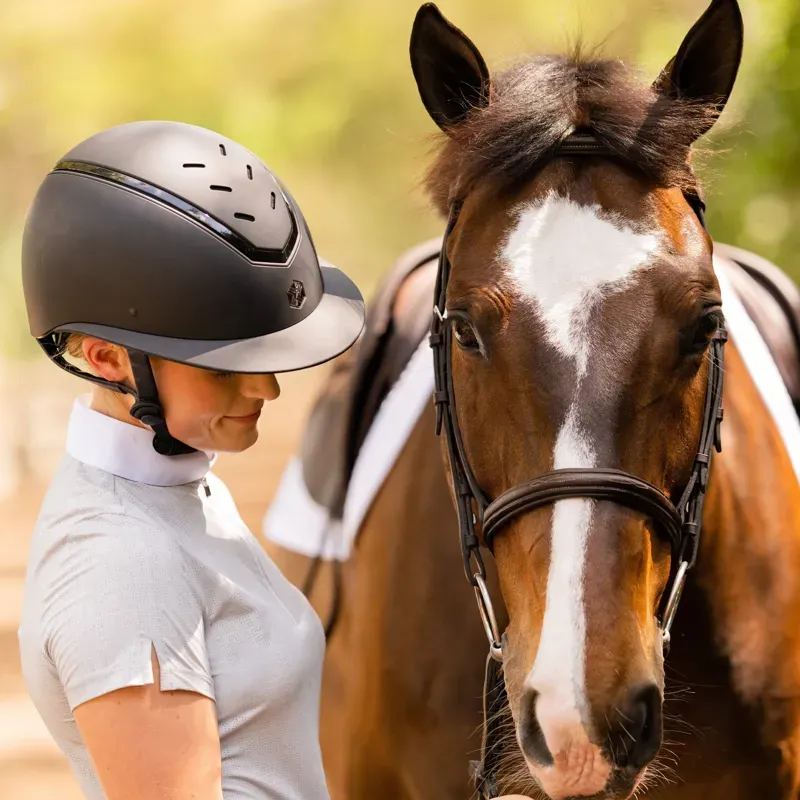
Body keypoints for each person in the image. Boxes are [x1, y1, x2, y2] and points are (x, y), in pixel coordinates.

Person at [16, 120, 365, 800]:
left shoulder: (178, 485)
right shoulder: (121, 565)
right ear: (106, 358)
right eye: (226, 368)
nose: (265, 389)